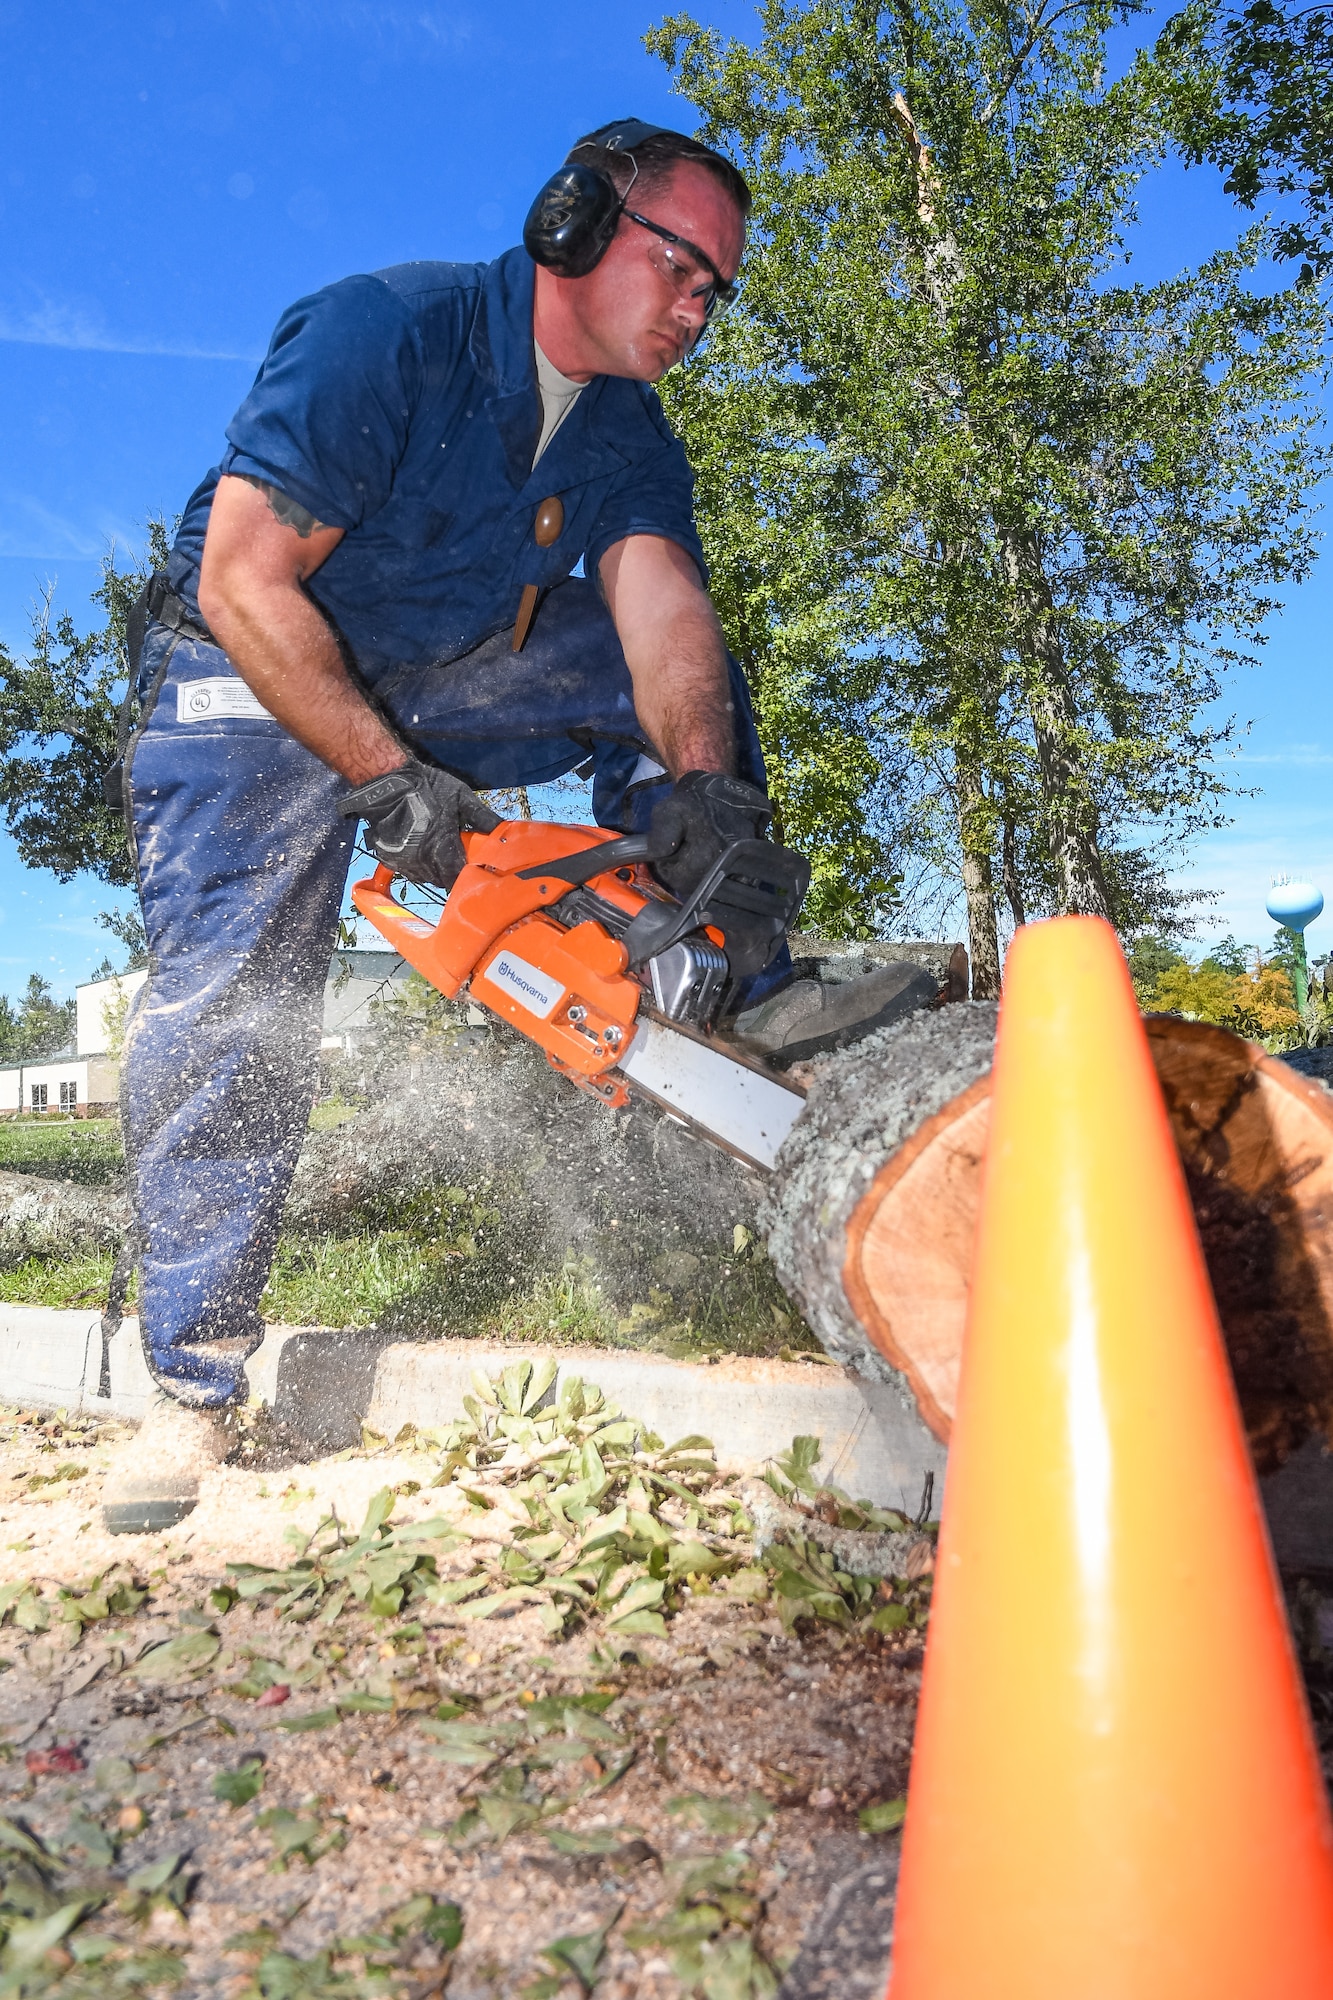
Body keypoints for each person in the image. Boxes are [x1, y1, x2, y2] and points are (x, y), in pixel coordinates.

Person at [100, 120, 909, 1535]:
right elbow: (243, 580)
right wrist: (381, 777)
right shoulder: (384, 334)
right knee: (235, 1000)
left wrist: (704, 791)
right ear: (572, 225)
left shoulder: (623, 430)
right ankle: (194, 1383)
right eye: (682, 267)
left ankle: (741, 969)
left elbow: (658, 610)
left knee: (678, 683)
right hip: (250, 666)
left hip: (446, 667)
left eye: (719, 291)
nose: (697, 310)